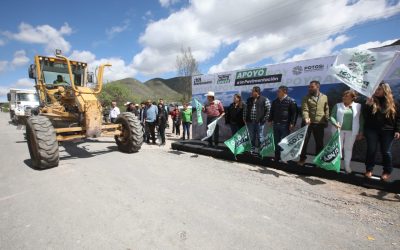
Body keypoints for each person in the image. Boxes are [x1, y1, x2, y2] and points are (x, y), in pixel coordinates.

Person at [362, 82, 400, 181]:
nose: (376, 91)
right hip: (371, 130)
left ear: (385, 90)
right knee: (371, 150)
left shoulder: (394, 102)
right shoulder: (371, 100)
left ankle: (387, 172)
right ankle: (369, 170)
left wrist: (397, 130)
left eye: (379, 89)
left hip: (388, 131)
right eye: (375, 89)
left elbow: (398, 118)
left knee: (386, 151)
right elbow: (364, 116)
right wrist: (367, 105)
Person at [330, 90, 363, 174]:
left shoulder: (358, 106)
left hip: (352, 131)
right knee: (337, 148)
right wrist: (335, 123)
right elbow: (332, 116)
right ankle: (336, 165)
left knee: (348, 149)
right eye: (343, 95)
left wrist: (361, 131)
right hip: (338, 130)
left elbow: (361, 120)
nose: (344, 97)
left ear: (352, 98)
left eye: (346, 96)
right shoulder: (337, 105)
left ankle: (347, 166)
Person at [298, 80, 329, 166]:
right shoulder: (306, 97)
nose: (309, 88)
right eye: (309, 87)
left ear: (317, 87)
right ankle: (302, 159)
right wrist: (306, 118)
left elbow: (326, 108)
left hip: (319, 123)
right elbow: (305, 109)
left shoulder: (324, 97)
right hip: (308, 123)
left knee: (319, 143)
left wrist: (327, 118)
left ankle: (318, 161)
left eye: (312, 87)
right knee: (304, 142)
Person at [268, 85, 298, 162]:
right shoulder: (275, 101)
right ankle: (276, 157)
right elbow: (272, 112)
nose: (277, 93)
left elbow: (294, 114)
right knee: (276, 142)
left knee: (284, 143)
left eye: (279, 91)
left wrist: (292, 123)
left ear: (284, 91)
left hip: (285, 125)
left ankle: (284, 158)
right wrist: (270, 120)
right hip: (276, 124)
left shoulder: (291, 101)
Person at [243, 86, 271, 154]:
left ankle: (259, 150)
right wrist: (244, 117)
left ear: (257, 92)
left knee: (260, 136)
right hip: (250, 122)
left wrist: (264, 119)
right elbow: (245, 109)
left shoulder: (264, 99)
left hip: (260, 122)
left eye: (253, 91)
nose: (251, 92)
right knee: (251, 136)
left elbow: (269, 110)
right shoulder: (249, 99)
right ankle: (252, 149)